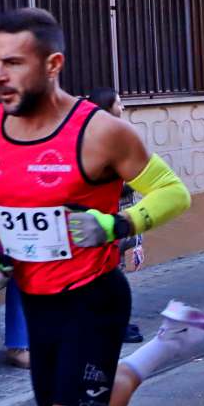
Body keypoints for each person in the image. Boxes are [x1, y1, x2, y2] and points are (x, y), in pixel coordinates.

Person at [0, 8, 204, 406]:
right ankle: (168, 344)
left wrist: (116, 225)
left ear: (53, 65)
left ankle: (165, 344)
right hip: (37, 301)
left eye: (14, 63)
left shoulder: (102, 133)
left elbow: (172, 192)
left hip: (92, 299)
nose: (0, 76)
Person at [86, 88, 145, 344]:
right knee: (109, 275)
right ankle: (109, 325)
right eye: (119, 103)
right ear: (107, 107)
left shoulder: (114, 135)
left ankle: (116, 323)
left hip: (119, 215)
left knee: (115, 271)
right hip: (106, 216)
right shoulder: (100, 139)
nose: (122, 108)